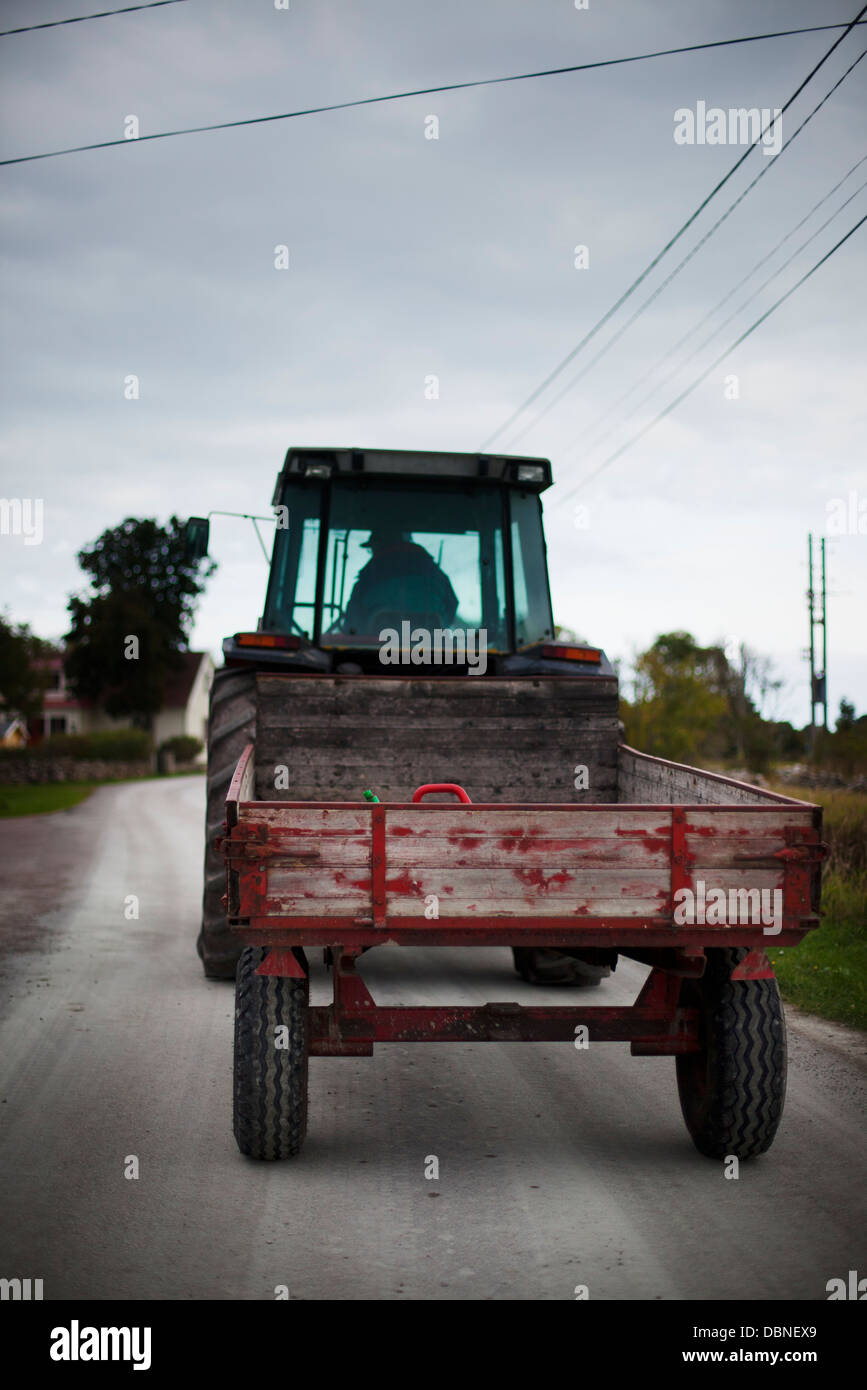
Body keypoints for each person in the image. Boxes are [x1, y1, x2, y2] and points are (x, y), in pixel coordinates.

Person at [341, 525, 459, 634]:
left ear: (380, 545)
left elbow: (353, 619)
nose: (372, 552)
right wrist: (442, 624)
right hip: (429, 647)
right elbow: (452, 603)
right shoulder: (434, 572)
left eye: (372, 548)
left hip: (376, 648)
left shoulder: (369, 575)